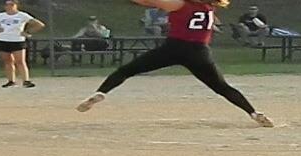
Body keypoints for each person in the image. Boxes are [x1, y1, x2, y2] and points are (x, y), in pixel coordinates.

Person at [76, 0, 274, 129]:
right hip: (199, 52)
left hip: (174, 48)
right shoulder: (210, 8)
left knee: (127, 70)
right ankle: (254, 113)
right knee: (222, 87)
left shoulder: (180, 4)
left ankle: (101, 92)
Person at [0, 0, 45, 89]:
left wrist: (28, 32)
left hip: (17, 40)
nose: (9, 6)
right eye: (7, 5)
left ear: (16, 5)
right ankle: (11, 81)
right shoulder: (0, 16)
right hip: (3, 39)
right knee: (8, 61)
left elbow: (39, 24)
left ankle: (26, 80)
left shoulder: (22, 15)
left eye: (11, 4)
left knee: (20, 61)